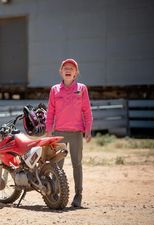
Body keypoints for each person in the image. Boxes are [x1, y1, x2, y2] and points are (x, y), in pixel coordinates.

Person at [45, 58, 93, 208]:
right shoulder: (55, 90)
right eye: (65, 67)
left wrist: (88, 129)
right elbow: (50, 111)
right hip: (59, 133)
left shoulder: (82, 88)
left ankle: (78, 195)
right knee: (56, 165)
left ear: (76, 73)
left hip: (76, 133)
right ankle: (55, 193)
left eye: (71, 68)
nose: (68, 70)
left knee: (76, 164)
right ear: (60, 72)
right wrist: (48, 130)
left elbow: (87, 110)